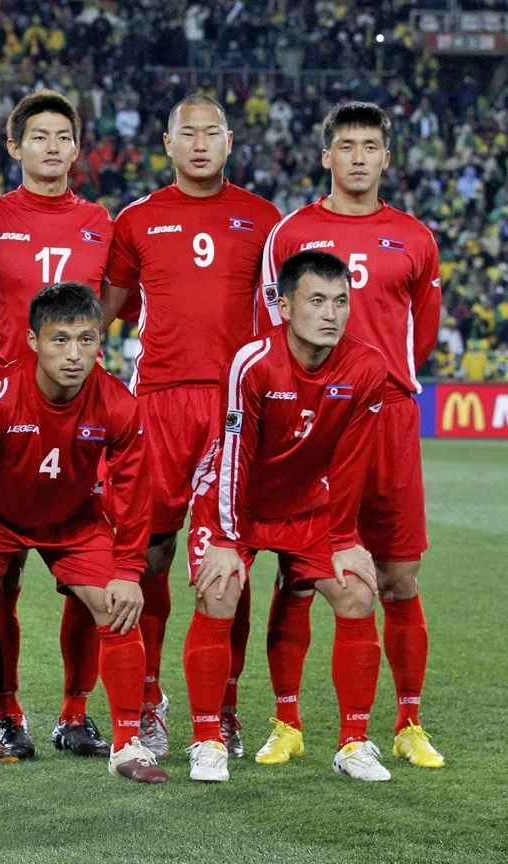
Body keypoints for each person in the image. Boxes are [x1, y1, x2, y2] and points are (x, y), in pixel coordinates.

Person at [0, 282, 166, 785]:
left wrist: (129, 569)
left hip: (74, 522)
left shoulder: (117, 403)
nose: (74, 354)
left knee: (117, 607)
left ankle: (126, 743)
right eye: (60, 339)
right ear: (32, 341)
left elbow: (135, 491)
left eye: (87, 340)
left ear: (102, 341)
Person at [257, 101, 445, 769]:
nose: (359, 157)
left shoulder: (415, 237)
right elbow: (269, 327)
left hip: (388, 416)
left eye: (371, 146)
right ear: (326, 155)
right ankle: (287, 723)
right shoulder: (293, 231)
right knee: (300, 571)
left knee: (398, 575)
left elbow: (418, 330)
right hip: (311, 421)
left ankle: (409, 723)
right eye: (347, 145)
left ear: (386, 157)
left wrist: (383, 384)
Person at [100, 93, 282, 759]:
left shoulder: (265, 221)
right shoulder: (138, 219)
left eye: (212, 133)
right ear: (169, 144)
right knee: (147, 558)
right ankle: (149, 699)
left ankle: (225, 707)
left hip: (236, 410)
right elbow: (105, 314)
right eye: (188, 134)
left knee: (228, 566)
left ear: (230, 142)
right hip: (158, 405)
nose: (200, 144)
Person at [185, 250, 389, 782]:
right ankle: (207, 736)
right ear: (282, 305)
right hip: (237, 503)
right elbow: (234, 456)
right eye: (316, 300)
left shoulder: (367, 367)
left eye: (341, 301)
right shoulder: (253, 362)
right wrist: (227, 538)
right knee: (221, 587)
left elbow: (351, 464)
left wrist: (344, 536)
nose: (331, 314)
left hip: (308, 508)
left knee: (357, 591)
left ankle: (354, 743)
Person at [0, 89, 115, 760]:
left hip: (78, 417)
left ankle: (75, 713)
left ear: (77, 148)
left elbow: (111, 308)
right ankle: (8, 712)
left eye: (64, 136)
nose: (53, 147)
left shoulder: (100, 222)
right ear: (14, 146)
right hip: (6, 414)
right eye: (40, 136)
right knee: (1, 574)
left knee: (85, 566)